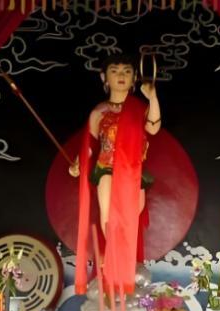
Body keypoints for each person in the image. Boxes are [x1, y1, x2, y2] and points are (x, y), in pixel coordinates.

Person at [69, 53, 161, 297]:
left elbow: (153, 127)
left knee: (130, 217)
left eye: (127, 71)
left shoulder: (139, 108)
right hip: (107, 167)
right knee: (109, 214)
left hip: (133, 170)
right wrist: (78, 163)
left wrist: (152, 97)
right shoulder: (99, 111)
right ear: (104, 77)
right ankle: (112, 261)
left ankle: (124, 263)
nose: (121, 75)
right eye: (115, 70)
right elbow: (89, 144)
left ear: (134, 78)